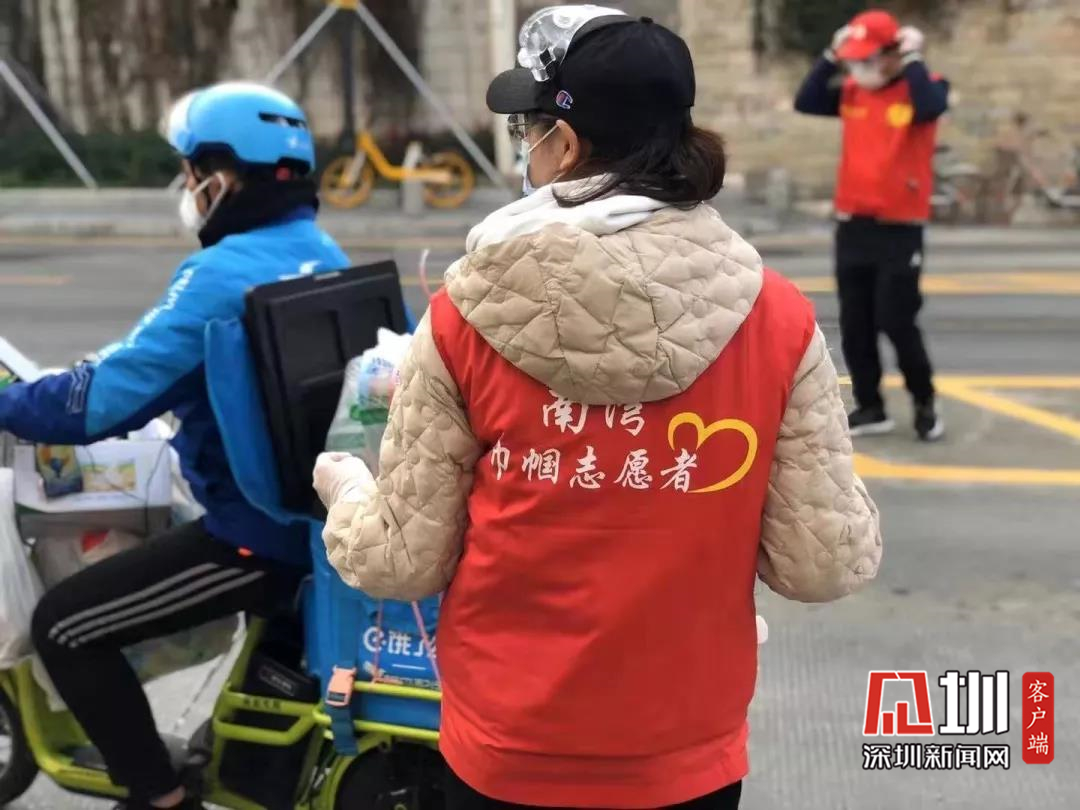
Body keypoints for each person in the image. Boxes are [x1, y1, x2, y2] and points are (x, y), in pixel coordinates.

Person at [315, 7, 882, 810]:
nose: (527, 149)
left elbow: (400, 562)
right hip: (685, 755)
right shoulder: (779, 319)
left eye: (529, 130)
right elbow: (822, 564)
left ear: (567, 145)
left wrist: (345, 488)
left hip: (510, 751)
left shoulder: (464, 316)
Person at [0, 82, 349, 810]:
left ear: (220, 179)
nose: (186, 188)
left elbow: (96, 402)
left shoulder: (218, 277)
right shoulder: (319, 250)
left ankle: (159, 796)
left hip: (257, 539)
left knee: (65, 625)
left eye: (189, 171)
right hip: (319, 517)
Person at [794, 9, 949, 440]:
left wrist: (912, 58)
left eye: (869, 58)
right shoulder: (852, 94)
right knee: (856, 321)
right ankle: (870, 406)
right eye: (854, 59)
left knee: (896, 319)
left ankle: (924, 401)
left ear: (895, 53)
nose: (861, 68)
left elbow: (932, 106)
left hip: (900, 227)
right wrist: (830, 55)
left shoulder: (923, 89)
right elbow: (806, 100)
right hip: (853, 225)